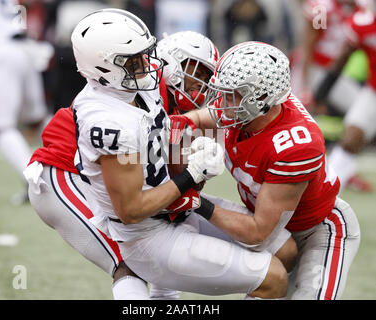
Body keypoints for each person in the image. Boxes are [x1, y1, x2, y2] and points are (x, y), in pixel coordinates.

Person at [70, 8, 290, 299]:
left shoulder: (137, 87)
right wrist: (191, 174)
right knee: (273, 278)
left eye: (144, 54)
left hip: (173, 210)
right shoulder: (110, 123)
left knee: (286, 250)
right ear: (104, 66)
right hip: (148, 235)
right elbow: (132, 210)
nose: (146, 64)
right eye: (134, 60)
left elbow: (165, 141)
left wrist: (189, 153)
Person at [177, 41, 360, 299]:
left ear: (261, 98)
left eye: (233, 93)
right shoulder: (249, 112)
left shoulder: (295, 145)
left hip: (316, 230)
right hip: (274, 228)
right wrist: (186, 121)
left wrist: (194, 201)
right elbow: (205, 116)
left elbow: (257, 231)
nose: (222, 101)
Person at [0, 0, 53, 204]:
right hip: (24, 49)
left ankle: (34, 182)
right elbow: (23, 11)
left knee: (2, 128)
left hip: (0, 51)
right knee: (36, 119)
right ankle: (79, 158)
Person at [314, 0, 376, 193]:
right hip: (373, 91)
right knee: (351, 139)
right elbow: (342, 59)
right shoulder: (363, 23)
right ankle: (325, 197)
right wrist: (322, 92)